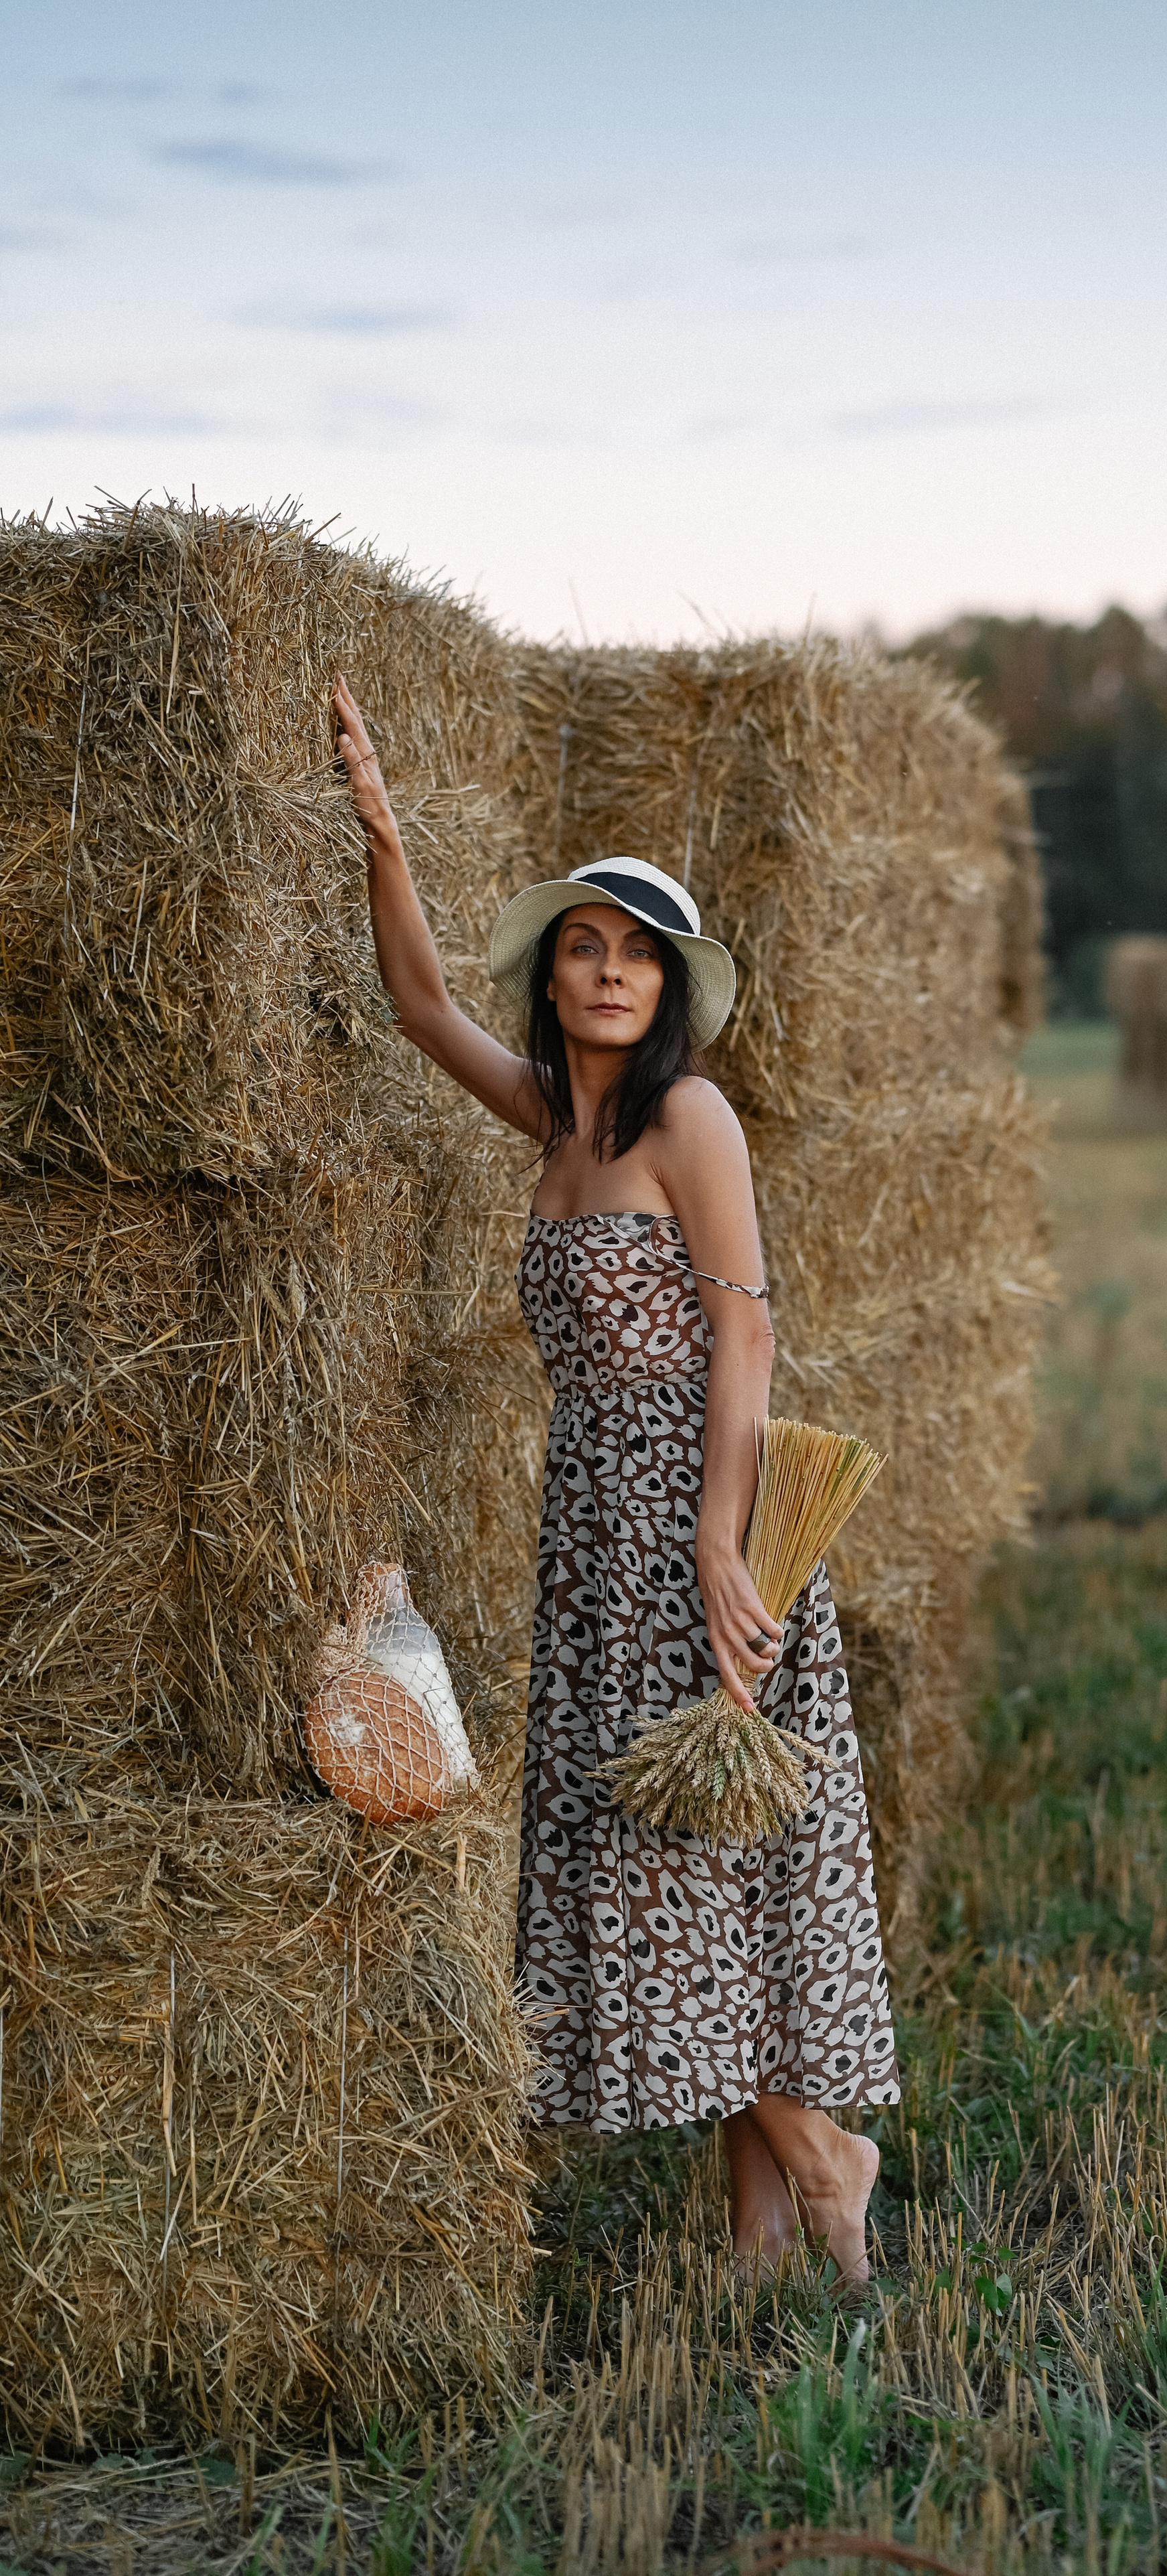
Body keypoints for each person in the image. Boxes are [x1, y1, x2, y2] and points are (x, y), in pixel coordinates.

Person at [333, 678, 897, 2283]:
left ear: (670, 992)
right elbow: (417, 1003)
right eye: (584, 947)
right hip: (592, 1519)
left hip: (684, 1514)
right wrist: (381, 830)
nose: (606, 972)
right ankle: (761, 2228)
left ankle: (821, 2147)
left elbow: (747, 1334)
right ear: (555, 976)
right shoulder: (554, 1132)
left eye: (635, 954)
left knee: (693, 1845)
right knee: (681, 1842)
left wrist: (723, 1546)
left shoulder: (689, 1121)